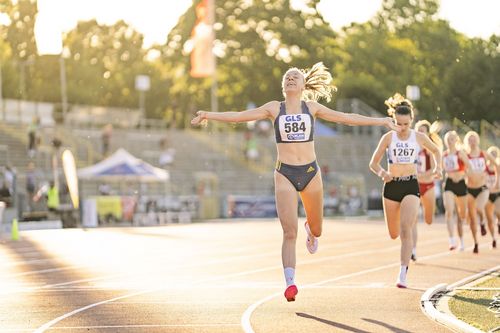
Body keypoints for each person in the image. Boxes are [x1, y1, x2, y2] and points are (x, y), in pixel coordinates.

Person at [191, 62, 399, 301]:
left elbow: (346, 118)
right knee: (289, 232)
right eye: (287, 77)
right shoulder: (274, 108)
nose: (290, 78)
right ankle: (290, 283)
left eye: (295, 77)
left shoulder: (310, 108)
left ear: (302, 85)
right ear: (283, 86)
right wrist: (208, 114)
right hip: (285, 173)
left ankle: (311, 229)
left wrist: (381, 121)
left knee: (318, 229)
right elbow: (239, 116)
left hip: (310, 173)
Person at [369, 93, 441, 288]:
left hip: (410, 184)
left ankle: (402, 273)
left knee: (405, 229)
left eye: (405, 124)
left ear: (411, 121)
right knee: (393, 234)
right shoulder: (388, 137)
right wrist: (383, 173)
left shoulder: (418, 137)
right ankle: (402, 265)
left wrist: (438, 168)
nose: (401, 128)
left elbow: (436, 151)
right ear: (393, 121)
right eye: (398, 124)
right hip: (392, 186)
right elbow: (373, 163)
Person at [410, 120, 442, 261]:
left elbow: (434, 170)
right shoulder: (410, 146)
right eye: (418, 130)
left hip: (428, 185)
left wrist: (422, 175)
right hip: (414, 186)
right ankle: (413, 251)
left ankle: (428, 216)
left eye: (423, 131)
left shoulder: (430, 149)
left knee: (428, 219)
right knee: (413, 220)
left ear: (427, 133)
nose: (420, 133)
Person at [463, 131, 498, 253]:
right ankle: (475, 243)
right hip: (469, 188)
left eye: (474, 139)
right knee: (472, 218)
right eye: (470, 140)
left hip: (482, 187)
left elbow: (497, 166)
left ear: (477, 140)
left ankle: (483, 223)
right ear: (467, 142)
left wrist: (497, 182)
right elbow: (460, 170)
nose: (472, 142)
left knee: (479, 207)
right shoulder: (465, 155)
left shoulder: (484, 154)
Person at [442, 131, 471, 251]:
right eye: (448, 139)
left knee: (461, 215)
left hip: (460, 183)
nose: (450, 141)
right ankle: (451, 240)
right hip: (449, 183)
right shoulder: (444, 155)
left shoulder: (460, 153)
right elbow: (441, 169)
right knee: (449, 211)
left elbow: (469, 166)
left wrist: (463, 175)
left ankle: (462, 241)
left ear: (456, 140)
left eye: (452, 139)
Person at [482, 146, 499, 248]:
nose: (493, 156)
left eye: (494, 154)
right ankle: (493, 238)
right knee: (489, 218)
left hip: (498, 193)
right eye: (491, 154)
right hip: (487, 194)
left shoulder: (499, 166)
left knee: (498, 212)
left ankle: (499, 222)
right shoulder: (484, 167)